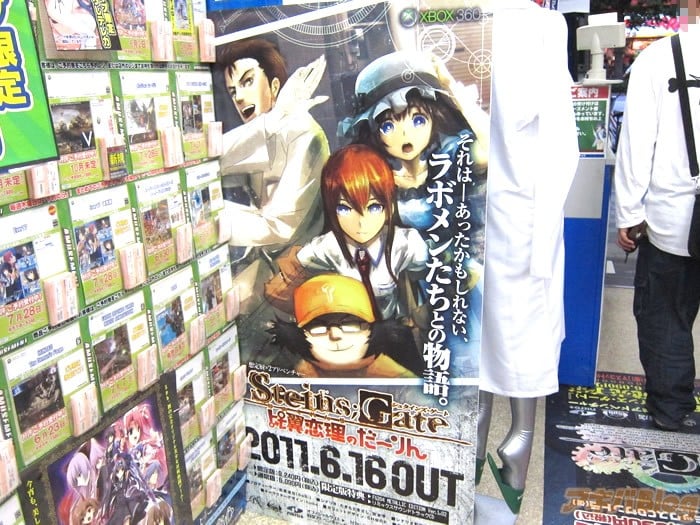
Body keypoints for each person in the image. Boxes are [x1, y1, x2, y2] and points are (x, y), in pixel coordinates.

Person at [477, 1, 579, 515]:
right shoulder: (543, 25)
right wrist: (545, 234)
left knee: (473, 344)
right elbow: (561, 143)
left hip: (465, 217)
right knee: (521, 342)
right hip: (521, 216)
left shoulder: (448, 17)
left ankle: (472, 457)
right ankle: (516, 447)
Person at [339, 51, 489, 373]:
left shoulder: (449, 157)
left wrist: (452, 89)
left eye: (417, 119)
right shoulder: (379, 177)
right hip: (407, 290)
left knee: (466, 366)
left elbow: (492, 150)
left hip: (460, 282)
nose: (405, 133)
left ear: (434, 115)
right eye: (388, 124)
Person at [614, 17, 700, 432]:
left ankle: (671, 409)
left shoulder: (659, 58)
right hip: (675, 217)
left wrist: (629, 214)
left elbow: (636, 144)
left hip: (674, 219)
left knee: (665, 316)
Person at [215, 38, 330, 314]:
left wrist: (207, 223)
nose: (239, 97)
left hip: (303, 277)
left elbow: (279, 225)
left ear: (275, 85)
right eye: (232, 91)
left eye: (247, 82)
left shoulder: (304, 133)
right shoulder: (264, 130)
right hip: (269, 269)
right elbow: (214, 160)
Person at [269, 274, 418, 378]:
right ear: (298, 334)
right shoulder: (288, 379)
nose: (335, 335)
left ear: (372, 329)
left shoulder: (400, 381)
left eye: (350, 323)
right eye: (318, 326)